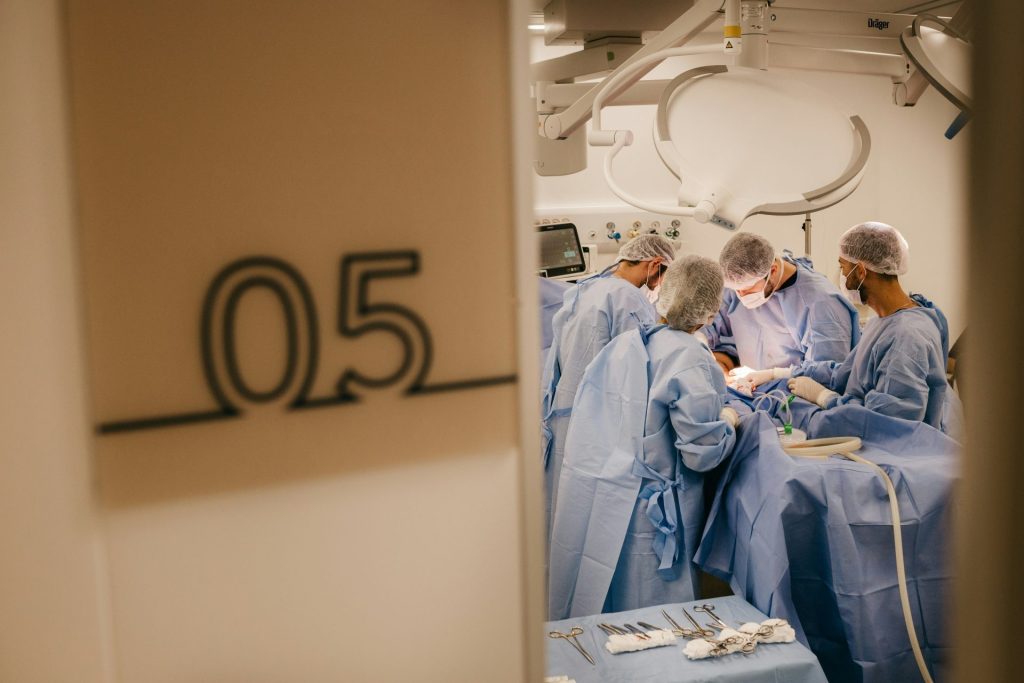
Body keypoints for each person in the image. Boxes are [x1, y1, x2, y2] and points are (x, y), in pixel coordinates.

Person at [548, 255, 738, 620]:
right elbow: (701, 454)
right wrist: (729, 421)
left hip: (616, 503)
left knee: (613, 609)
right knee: (658, 622)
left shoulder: (626, 345)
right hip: (657, 519)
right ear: (710, 308)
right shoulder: (690, 356)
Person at [540, 234, 675, 542]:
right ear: (655, 264)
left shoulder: (586, 288)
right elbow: (640, 368)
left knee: (564, 509)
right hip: (600, 419)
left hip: (564, 411)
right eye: (662, 277)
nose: (658, 287)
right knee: (592, 517)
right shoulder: (628, 299)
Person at [779, 222, 952, 430]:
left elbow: (889, 422)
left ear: (861, 271)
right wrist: (784, 373)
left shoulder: (906, 337)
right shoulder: (883, 320)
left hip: (905, 451)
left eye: (843, 267)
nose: (842, 277)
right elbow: (847, 373)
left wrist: (826, 398)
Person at [702, 232, 859, 386]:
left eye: (747, 288)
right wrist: (701, 347)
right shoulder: (741, 281)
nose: (740, 295)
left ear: (773, 271)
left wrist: (773, 376)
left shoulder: (822, 304)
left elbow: (827, 375)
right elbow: (708, 326)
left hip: (794, 400)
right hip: (752, 393)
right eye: (736, 289)